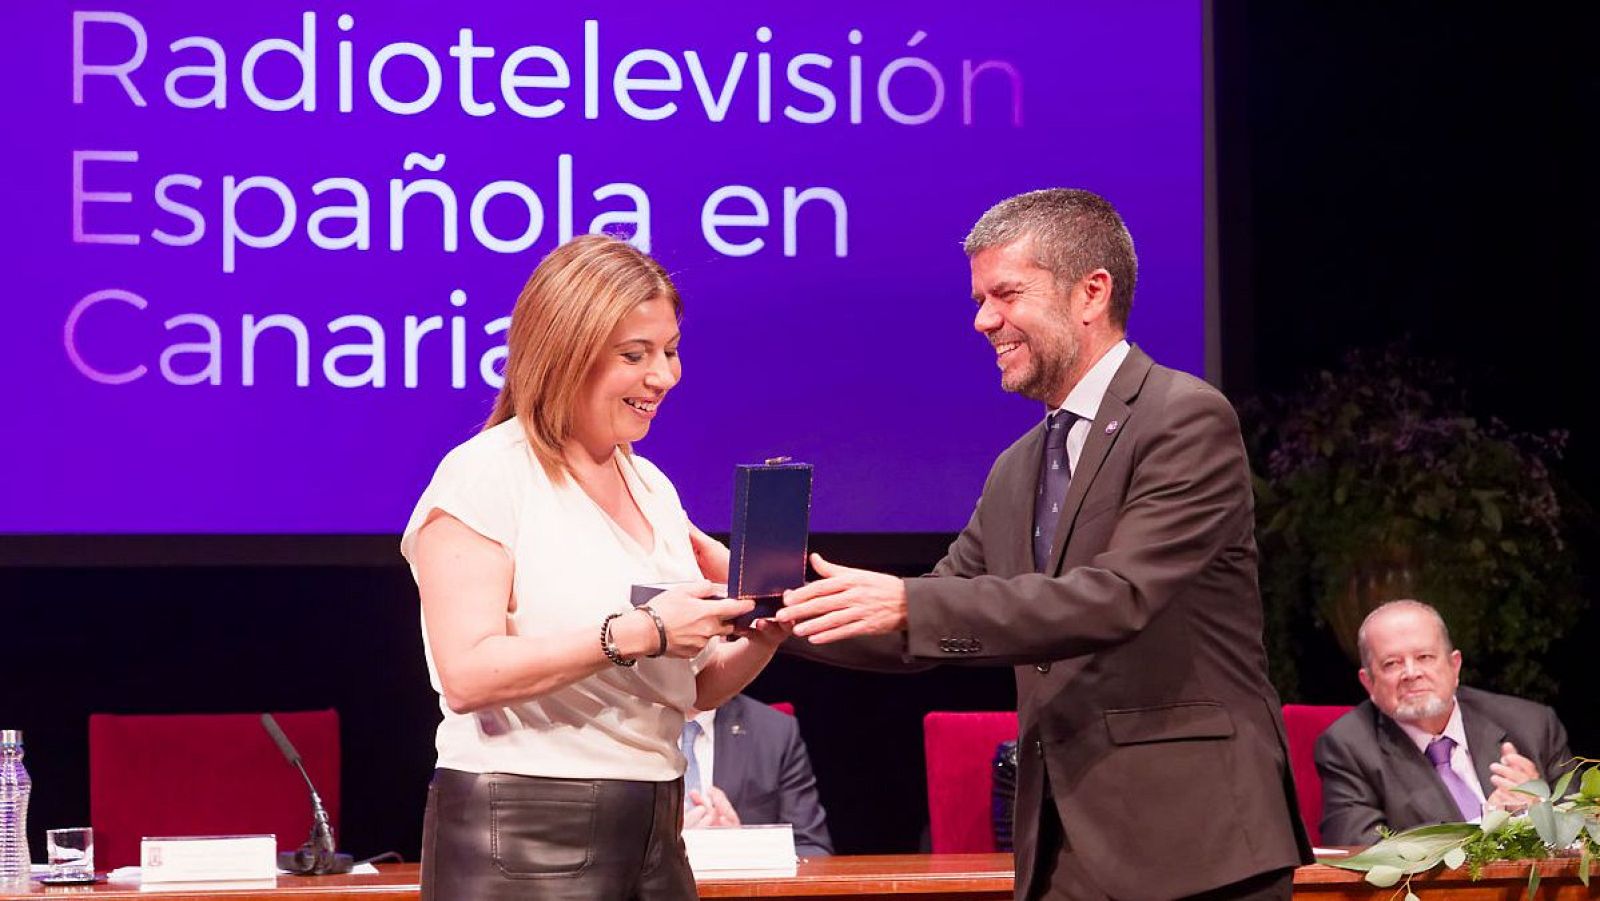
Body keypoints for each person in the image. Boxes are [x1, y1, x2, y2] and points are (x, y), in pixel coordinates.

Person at [761, 189, 1313, 900]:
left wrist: (908, 602)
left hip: (1193, 844)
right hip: (1062, 851)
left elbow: (1117, 597)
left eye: (1006, 293)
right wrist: (766, 606)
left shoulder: (1184, 419)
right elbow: (927, 624)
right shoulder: (1019, 464)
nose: (983, 319)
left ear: (1091, 292)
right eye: (980, 297)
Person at [400, 234, 789, 900]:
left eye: (669, 351)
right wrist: (638, 631)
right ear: (564, 352)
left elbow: (684, 691)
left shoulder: (651, 487)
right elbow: (466, 673)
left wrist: (762, 629)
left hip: (655, 824)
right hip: (524, 829)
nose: (663, 376)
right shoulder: (487, 474)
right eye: (635, 355)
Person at [1315, 599, 1573, 845]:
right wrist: (1488, 826)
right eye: (1392, 663)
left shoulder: (1533, 726)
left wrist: (1541, 813)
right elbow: (1359, 849)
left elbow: (1586, 828)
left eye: (1424, 657)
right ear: (1368, 682)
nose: (1411, 673)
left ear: (1455, 666)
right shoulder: (1347, 747)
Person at [680, 694, 834, 857]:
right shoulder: (649, 727)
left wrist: (746, 851)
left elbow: (813, 849)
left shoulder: (775, 731)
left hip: (739, 879)